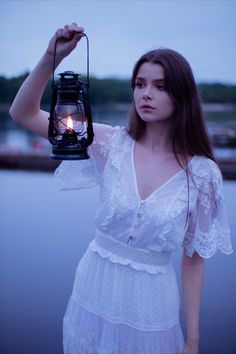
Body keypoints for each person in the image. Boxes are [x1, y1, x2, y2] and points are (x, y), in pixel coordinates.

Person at [9, 23, 233, 354]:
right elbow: (23, 114)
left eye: (160, 86)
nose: (146, 93)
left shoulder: (203, 175)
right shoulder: (111, 143)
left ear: (182, 95)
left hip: (151, 304)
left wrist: (193, 339)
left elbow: (194, 260)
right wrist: (50, 57)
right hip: (94, 289)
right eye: (140, 84)